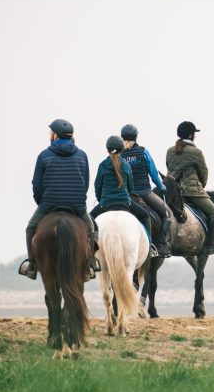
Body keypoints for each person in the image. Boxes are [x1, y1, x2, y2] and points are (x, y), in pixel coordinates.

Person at [19, 119, 99, 280]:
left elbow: (36, 185)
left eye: (50, 132)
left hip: (49, 204)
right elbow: (86, 182)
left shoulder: (44, 155)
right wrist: (77, 199)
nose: (50, 134)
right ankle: (90, 265)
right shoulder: (82, 155)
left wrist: (42, 202)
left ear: (55, 135)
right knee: (91, 230)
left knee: (30, 228)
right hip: (76, 205)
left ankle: (32, 266)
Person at [89, 136, 158, 257]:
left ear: (107, 150)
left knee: (89, 220)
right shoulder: (126, 165)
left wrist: (102, 200)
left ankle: (89, 250)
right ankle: (150, 247)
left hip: (105, 203)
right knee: (145, 216)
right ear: (122, 149)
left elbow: (97, 187)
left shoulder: (102, 165)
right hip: (125, 202)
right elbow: (130, 188)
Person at [165, 121, 214, 255]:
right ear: (191, 135)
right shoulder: (196, 152)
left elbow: (168, 168)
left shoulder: (170, 151)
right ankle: (210, 246)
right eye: (194, 134)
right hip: (192, 192)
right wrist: (200, 187)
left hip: (173, 192)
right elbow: (204, 173)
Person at [120, 124, 172, 257]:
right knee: (168, 215)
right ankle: (161, 244)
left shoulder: (119, 155)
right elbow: (154, 174)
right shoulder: (143, 152)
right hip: (144, 192)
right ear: (136, 137)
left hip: (126, 195)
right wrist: (161, 186)